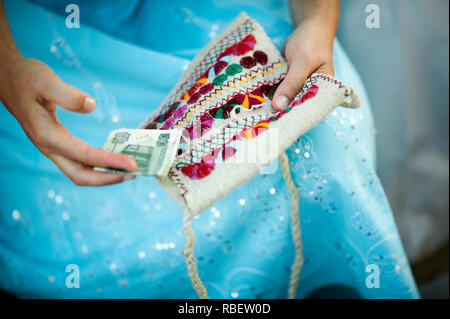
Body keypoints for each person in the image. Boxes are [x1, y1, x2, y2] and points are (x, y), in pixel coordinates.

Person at [0, 0, 419, 298]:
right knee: (110, 232)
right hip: (38, 37)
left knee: (320, 145)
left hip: (213, 12)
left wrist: (316, 22)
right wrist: (7, 70)